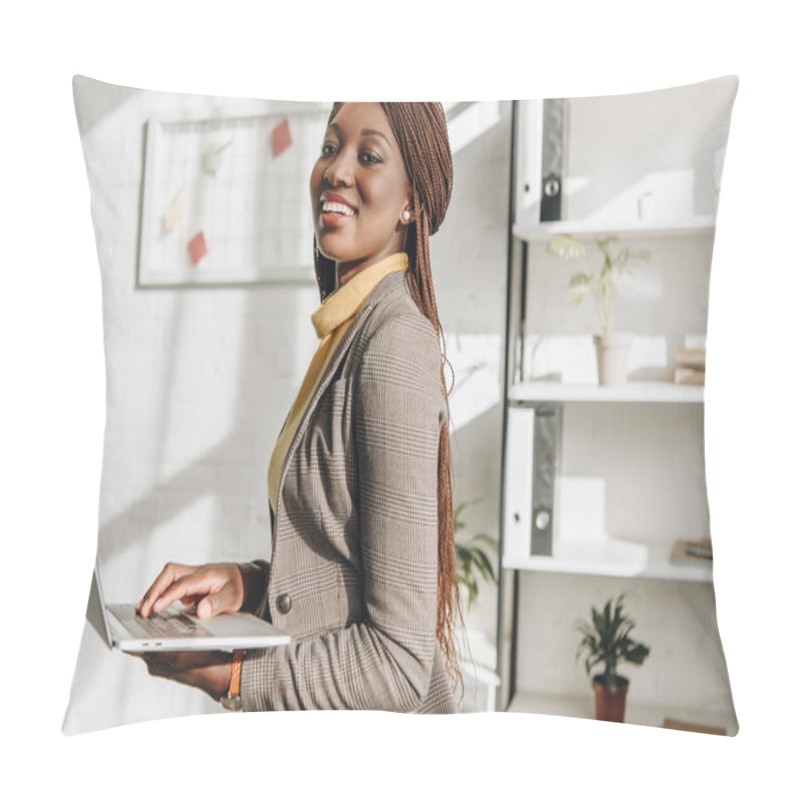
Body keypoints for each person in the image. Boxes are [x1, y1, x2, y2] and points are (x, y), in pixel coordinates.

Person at [134, 102, 463, 713]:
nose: (336, 170)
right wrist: (250, 583)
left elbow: (400, 663)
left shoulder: (392, 343)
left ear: (412, 199)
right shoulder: (352, 330)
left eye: (368, 155)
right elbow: (343, 571)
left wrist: (234, 676)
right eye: (330, 146)